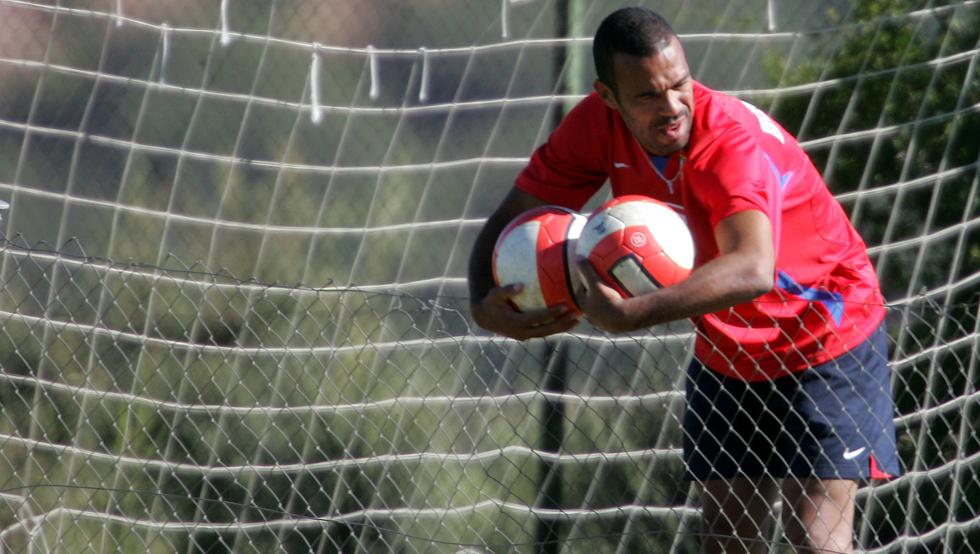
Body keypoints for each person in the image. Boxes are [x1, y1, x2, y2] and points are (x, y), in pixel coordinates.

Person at [467, 6, 900, 554]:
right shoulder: (593, 127)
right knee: (724, 539)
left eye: (680, 84)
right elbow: (519, 211)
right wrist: (483, 298)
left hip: (825, 337)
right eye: (648, 96)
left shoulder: (729, 145)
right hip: (728, 349)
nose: (672, 107)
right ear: (607, 97)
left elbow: (752, 268)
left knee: (816, 538)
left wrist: (631, 316)